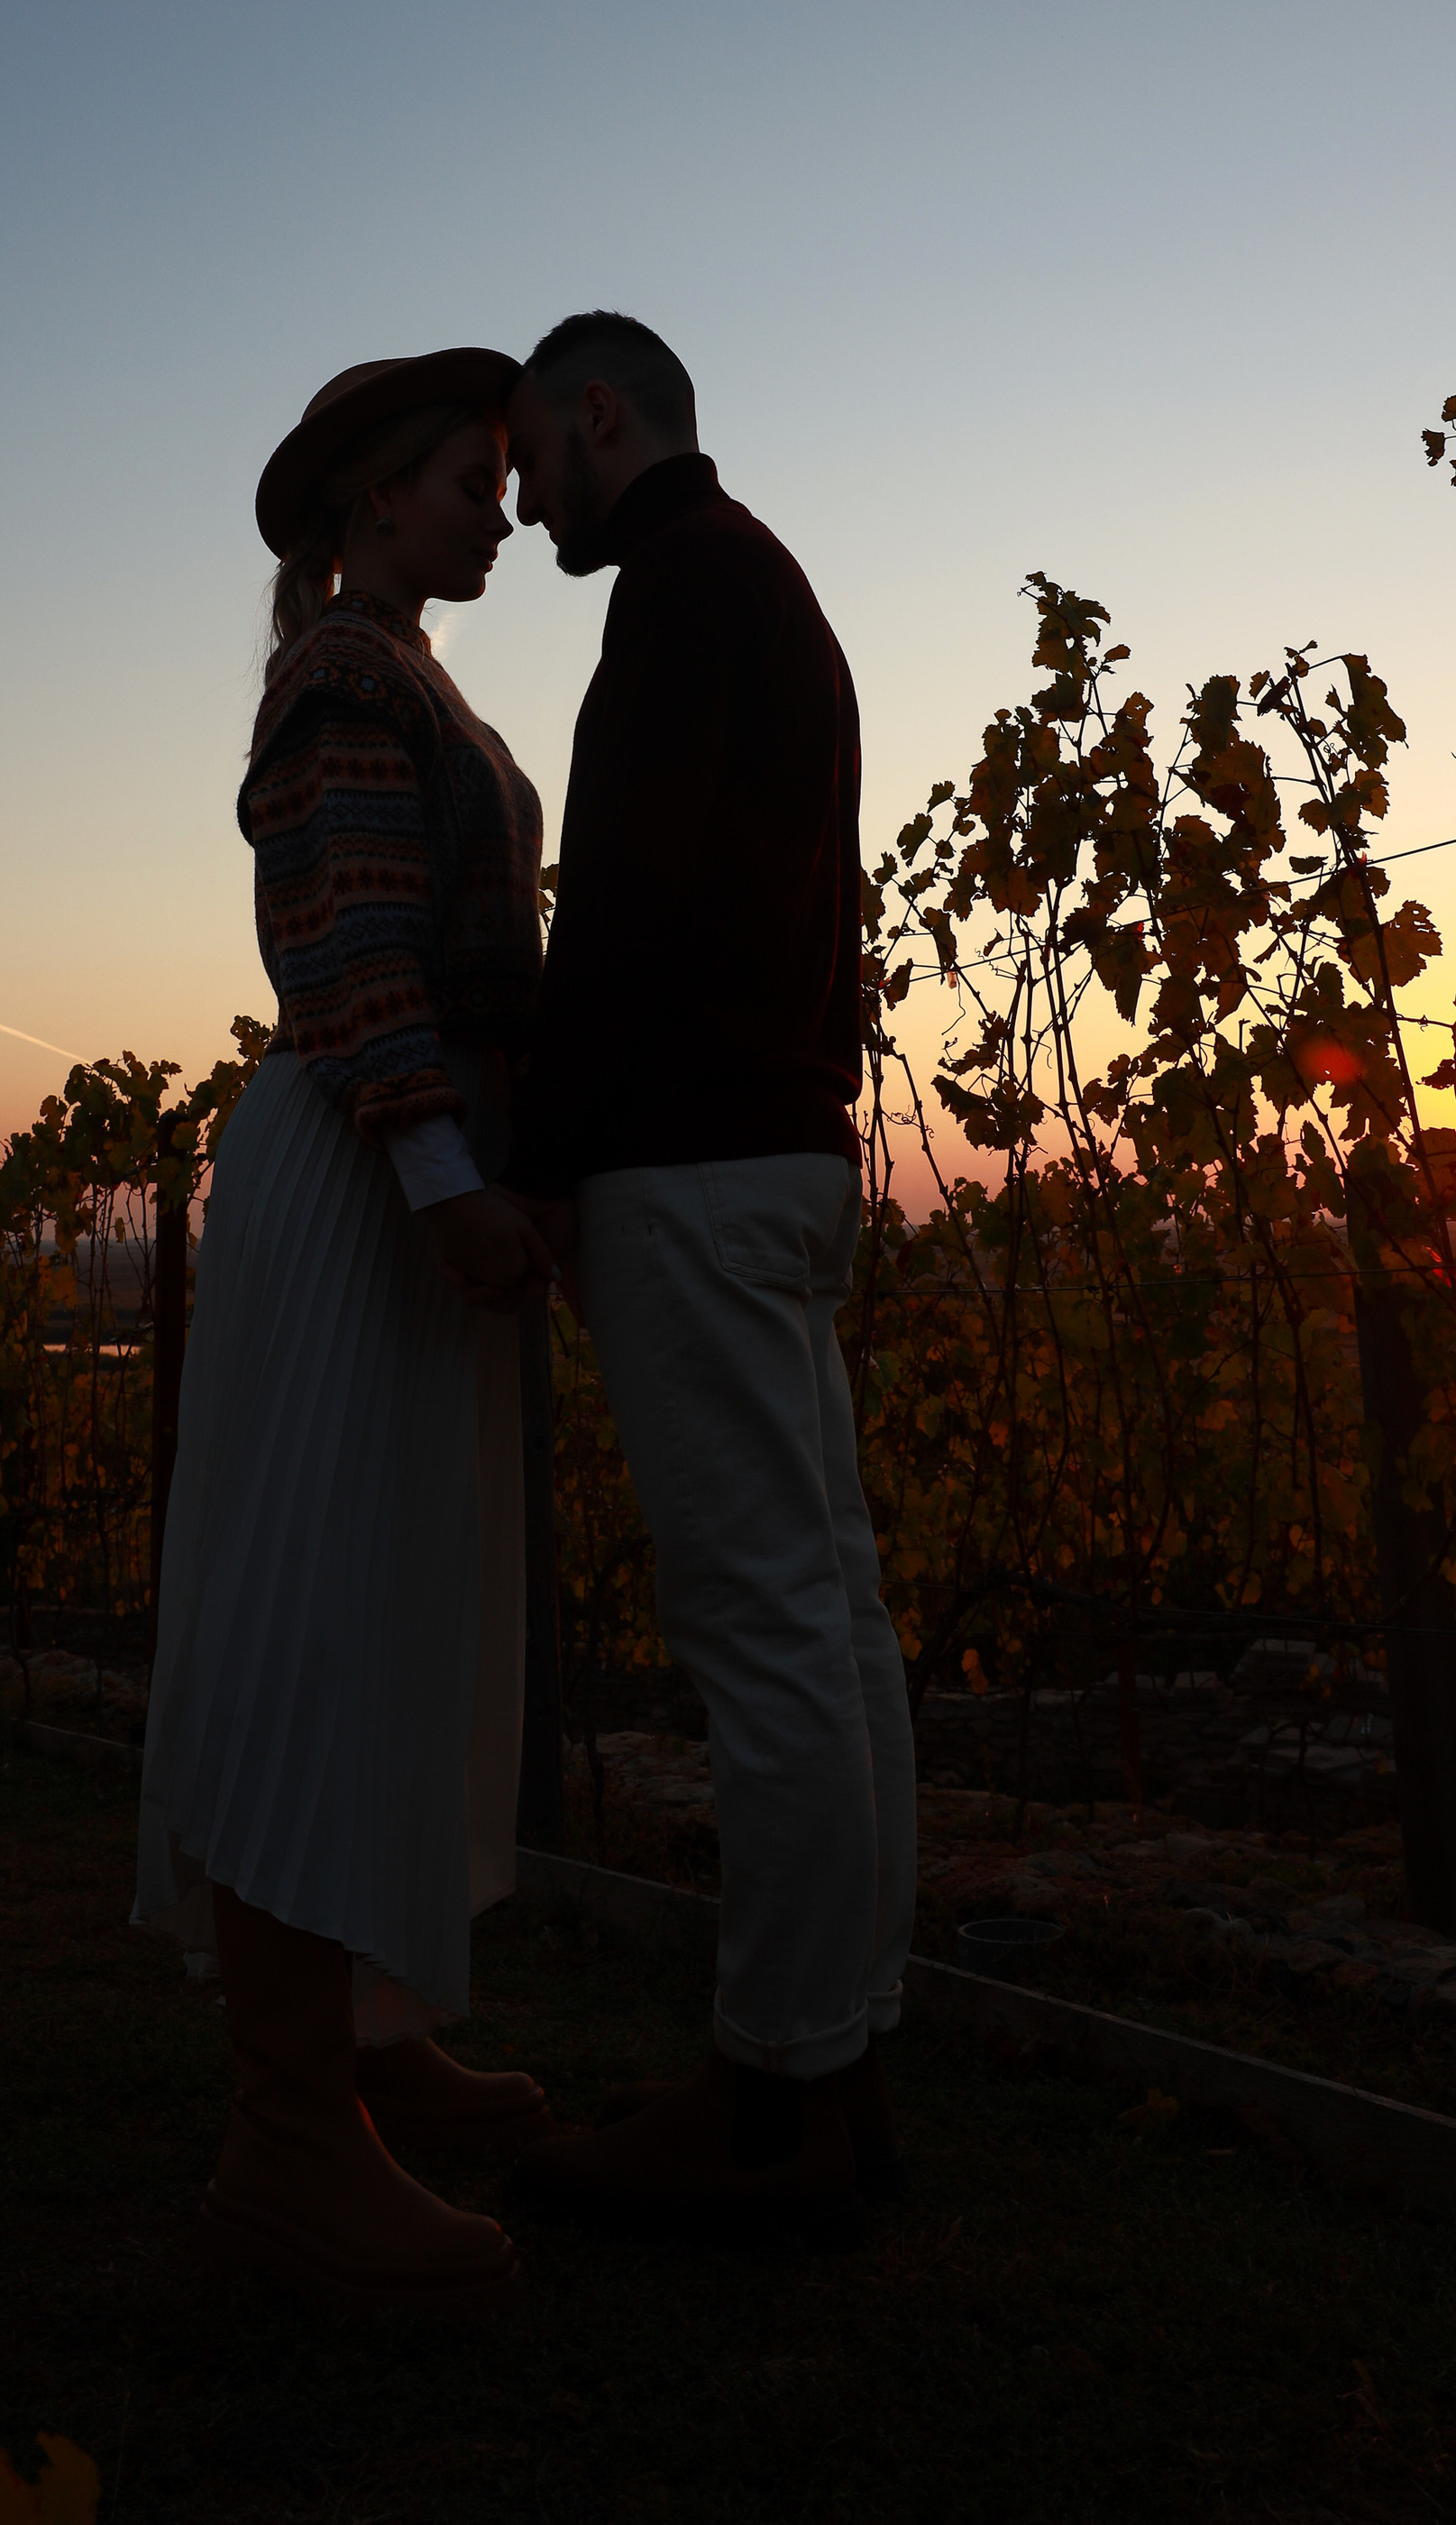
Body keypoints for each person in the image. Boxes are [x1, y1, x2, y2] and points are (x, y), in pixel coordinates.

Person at [135, 351, 558, 2316]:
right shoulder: (342, 685)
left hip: (393, 1168)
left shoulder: (397, 666)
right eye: (468, 477)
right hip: (360, 1176)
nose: (499, 501)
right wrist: (442, 1177)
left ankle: (370, 2045)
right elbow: (350, 946)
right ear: (375, 497)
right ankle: (287, 2142)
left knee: (384, 1611)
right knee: (313, 1621)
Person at [500, 310, 918, 2216]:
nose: (517, 495)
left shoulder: (677, 592)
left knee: (764, 1634)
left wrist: (548, 1163)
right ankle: (840, 2050)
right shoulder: (765, 591)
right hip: (783, 1155)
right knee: (823, 1618)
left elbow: (628, 906)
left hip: (690, 1163)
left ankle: (776, 2095)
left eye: (527, 452)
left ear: (603, 417)